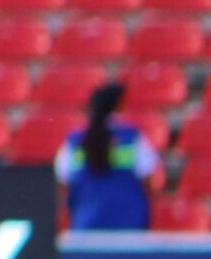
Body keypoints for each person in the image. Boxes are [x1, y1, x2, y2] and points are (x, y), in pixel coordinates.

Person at [55, 84, 156, 232]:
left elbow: (63, 185)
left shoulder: (74, 142)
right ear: (119, 107)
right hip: (130, 227)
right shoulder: (133, 139)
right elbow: (149, 184)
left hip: (86, 225)